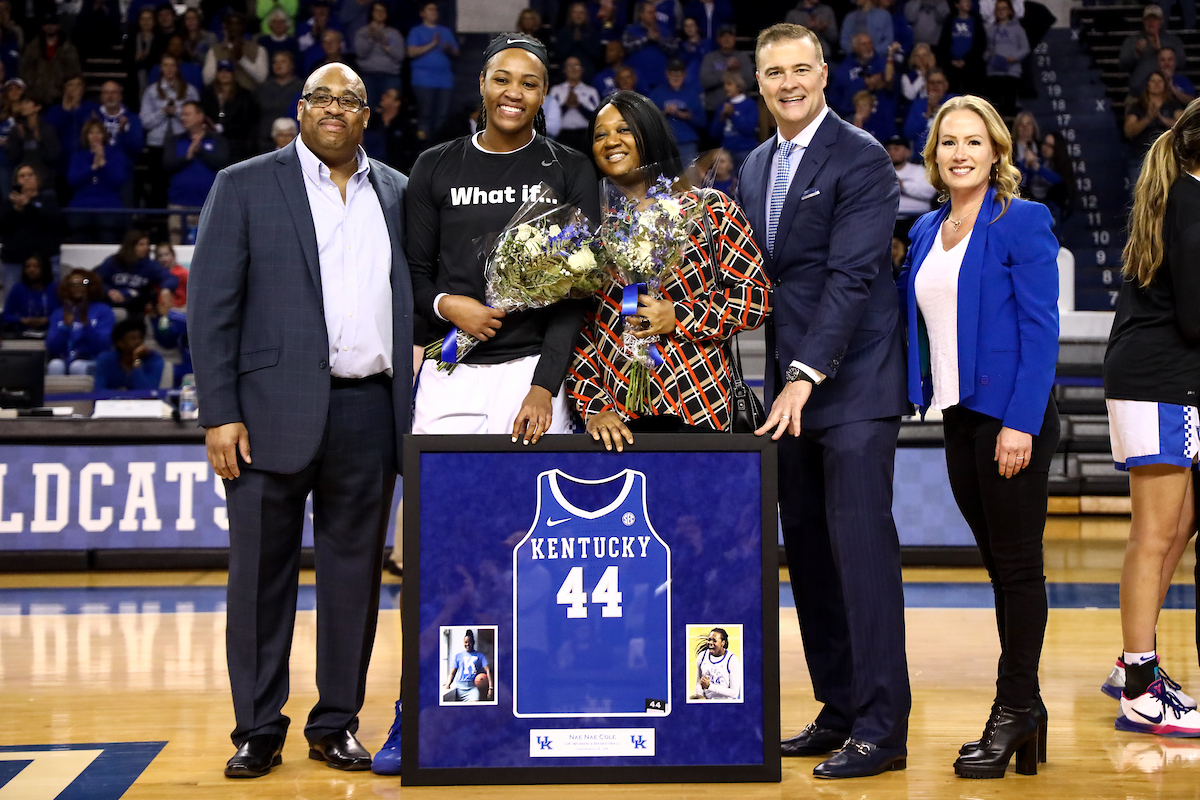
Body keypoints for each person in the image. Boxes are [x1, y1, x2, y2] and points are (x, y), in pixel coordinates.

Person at [189, 62, 413, 779]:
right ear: (301, 108)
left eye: (350, 100)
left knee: (353, 576)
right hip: (264, 413)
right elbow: (210, 311)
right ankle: (258, 727)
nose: (335, 110)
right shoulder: (245, 184)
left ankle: (335, 722)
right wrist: (219, 412)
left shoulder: (401, 195)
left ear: (367, 115)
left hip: (370, 408)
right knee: (258, 578)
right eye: (322, 97)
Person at [737, 23, 910, 779]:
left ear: (825, 74)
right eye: (774, 72)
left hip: (853, 387)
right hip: (790, 396)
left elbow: (852, 278)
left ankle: (882, 727)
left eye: (800, 68)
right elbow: (754, 280)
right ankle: (839, 709)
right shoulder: (753, 164)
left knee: (860, 556)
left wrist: (806, 371)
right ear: (759, 82)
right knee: (807, 555)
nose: (788, 82)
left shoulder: (863, 158)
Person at [896, 94, 1059, 778]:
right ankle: (1029, 706)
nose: (959, 153)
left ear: (997, 151)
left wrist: (1020, 422)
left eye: (973, 141)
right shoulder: (930, 226)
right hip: (958, 416)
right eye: (947, 143)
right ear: (933, 158)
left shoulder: (1022, 220)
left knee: (1018, 568)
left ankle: (1013, 709)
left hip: (1009, 419)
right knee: (998, 567)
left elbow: (1041, 329)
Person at [571, 90, 768, 441]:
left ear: (649, 134)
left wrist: (677, 316)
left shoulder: (710, 210)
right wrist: (593, 406)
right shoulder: (587, 234)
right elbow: (578, 332)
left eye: (624, 130)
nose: (611, 141)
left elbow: (755, 300)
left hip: (702, 408)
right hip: (618, 423)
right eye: (600, 134)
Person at [1102, 98, 1200, 737]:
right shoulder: (1193, 208)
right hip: (1162, 382)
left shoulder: (1178, 198)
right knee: (1154, 534)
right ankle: (1140, 689)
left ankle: (1132, 662)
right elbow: (1195, 320)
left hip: (1155, 379)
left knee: (1179, 526)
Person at [164, 101, 231, 243]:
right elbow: (167, 165)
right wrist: (187, 158)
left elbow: (222, 164)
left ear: (200, 117)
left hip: (209, 205)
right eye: (182, 114)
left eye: (187, 114)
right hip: (179, 205)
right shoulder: (174, 140)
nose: (183, 118)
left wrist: (200, 152)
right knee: (177, 248)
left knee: (209, 250)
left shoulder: (217, 141)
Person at [140, 56, 200, 206]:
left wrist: (177, 113)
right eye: (166, 65)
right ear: (161, 68)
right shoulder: (151, 91)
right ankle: (157, 219)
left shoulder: (189, 90)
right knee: (157, 183)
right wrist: (162, 112)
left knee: (179, 179)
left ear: (177, 68)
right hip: (157, 144)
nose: (169, 69)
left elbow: (196, 118)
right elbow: (145, 122)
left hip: (182, 142)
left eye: (172, 65)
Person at [67, 119, 129, 243]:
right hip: (81, 209)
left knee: (107, 238)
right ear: (86, 136)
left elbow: (118, 181)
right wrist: (93, 167)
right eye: (91, 133)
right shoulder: (78, 157)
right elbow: (72, 180)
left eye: (99, 132)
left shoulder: (116, 156)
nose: (95, 136)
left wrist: (103, 165)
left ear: (104, 135)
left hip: (108, 208)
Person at [0, 163, 60, 292]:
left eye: (30, 175)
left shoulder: (48, 200)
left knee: (51, 300)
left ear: (37, 179)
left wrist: (28, 205)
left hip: (45, 261)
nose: (26, 178)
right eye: (22, 176)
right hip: (14, 261)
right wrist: (14, 210)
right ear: (16, 181)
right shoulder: (7, 204)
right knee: (13, 300)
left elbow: (53, 221)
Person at [96, 229, 178, 321]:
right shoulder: (113, 261)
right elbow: (91, 279)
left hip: (135, 309)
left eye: (147, 244)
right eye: (141, 244)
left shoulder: (149, 265)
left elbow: (171, 278)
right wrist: (108, 291)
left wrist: (166, 289)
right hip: (109, 304)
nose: (146, 248)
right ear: (131, 246)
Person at [46, 268, 115, 375]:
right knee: (55, 365)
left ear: (90, 285)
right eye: (72, 283)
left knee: (77, 366)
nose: (77, 286)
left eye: (84, 282)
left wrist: (86, 325)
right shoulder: (59, 313)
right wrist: (66, 327)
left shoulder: (103, 311)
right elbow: (52, 347)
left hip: (92, 360)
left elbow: (104, 346)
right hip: (65, 359)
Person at [407, 1, 458, 141]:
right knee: (425, 114)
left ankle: (440, 144)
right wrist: (432, 44)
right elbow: (411, 52)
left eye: (435, 9)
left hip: (445, 80)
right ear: (422, 13)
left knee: (442, 115)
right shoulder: (416, 31)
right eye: (430, 9)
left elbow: (456, 52)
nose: (434, 12)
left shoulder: (445, 31)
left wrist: (449, 49)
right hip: (423, 80)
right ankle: (423, 145)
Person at [1126, 72, 1185, 189]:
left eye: (1160, 81)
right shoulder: (1138, 106)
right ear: (1147, 84)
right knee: (1139, 194)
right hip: (1141, 158)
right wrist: (1148, 118)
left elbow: (1183, 125)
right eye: (1153, 81)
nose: (1156, 84)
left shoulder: (1173, 105)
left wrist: (1162, 119)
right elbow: (1129, 131)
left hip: (1167, 158)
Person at [1119, 4, 1185, 96]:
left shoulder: (1173, 41)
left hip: (1168, 97)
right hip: (1138, 96)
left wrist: (1161, 51)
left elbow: (1181, 63)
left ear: (1161, 21)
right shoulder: (1132, 40)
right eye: (1148, 19)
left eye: (1155, 19)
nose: (1151, 22)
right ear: (1143, 21)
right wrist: (1136, 53)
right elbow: (1122, 65)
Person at [649, 58, 705, 166]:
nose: (676, 77)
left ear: (684, 74)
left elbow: (703, 122)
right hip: (664, 144)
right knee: (664, 179)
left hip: (687, 143)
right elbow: (647, 119)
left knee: (689, 179)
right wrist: (664, 113)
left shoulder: (692, 93)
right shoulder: (656, 93)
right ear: (667, 74)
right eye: (673, 74)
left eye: (679, 74)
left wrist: (687, 116)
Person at [201, 59, 259, 161]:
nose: (224, 74)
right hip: (212, 139)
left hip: (236, 142)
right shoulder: (207, 93)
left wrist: (225, 128)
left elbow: (247, 121)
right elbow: (203, 113)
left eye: (227, 71)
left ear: (233, 74)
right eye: (221, 71)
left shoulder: (244, 94)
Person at [19, 13, 80, 106]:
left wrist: (62, 86)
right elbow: (24, 69)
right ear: (42, 26)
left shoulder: (69, 49)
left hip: (60, 98)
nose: (50, 26)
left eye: (53, 23)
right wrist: (33, 84)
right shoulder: (32, 47)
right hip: (35, 97)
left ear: (59, 25)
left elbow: (74, 72)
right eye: (47, 24)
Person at [982, 0, 1028, 117]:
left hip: (1011, 72)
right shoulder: (990, 29)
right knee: (994, 107)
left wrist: (1013, 58)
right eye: (998, 9)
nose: (1001, 12)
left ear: (1009, 11)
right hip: (994, 71)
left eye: (1004, 9)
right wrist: (989, 56)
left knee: (1009, 105)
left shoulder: (1018, 29)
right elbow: (984, 50)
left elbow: (1025, 48)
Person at [354, 2, 403, 110]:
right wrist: (372, 39)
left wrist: (385, 43)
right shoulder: (363, 32)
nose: (380, 13)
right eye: (377, 11)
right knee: (367, 109)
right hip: (369, 75)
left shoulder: (394, 34)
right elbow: (360, 53)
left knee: (391, 108)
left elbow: (400, 56)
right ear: (372, 13)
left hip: (390, 75)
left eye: (383, 11)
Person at [94, 316, 166, 390]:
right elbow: (99, 390)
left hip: (143, 401)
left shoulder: (154, 359)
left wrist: (136, 360)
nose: (138, 341)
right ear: (120, 343)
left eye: (140, 338)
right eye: (133, 338)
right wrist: (122, 397)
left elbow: (147, 393)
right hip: (113, 401)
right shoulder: (105, 360)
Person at [203, 12, 268, 91]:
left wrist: (241, 59)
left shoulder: (258, 49)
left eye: (238, 23)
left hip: (250, 98)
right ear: (225, 26)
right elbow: (207, 80)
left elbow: (261, 78)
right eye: (231, 23)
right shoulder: (214, 50)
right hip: (223, 97)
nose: (234, 27)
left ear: (244, 26)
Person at [887, 133, 935, 238]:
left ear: (907, 152)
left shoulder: (918, 170)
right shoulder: (880, 172)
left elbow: (929, 192)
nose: (891, 152)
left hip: (916, 220)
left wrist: (902, 185)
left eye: (896, 149)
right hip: (888, 221)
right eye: (889, 149)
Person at [549, 55, 601, 153]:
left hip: (584, 135)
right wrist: (566, 105)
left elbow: (596, 117)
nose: (573, 69)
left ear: (582, 70)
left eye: (576, 66)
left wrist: (579, 106)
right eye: (570, 66)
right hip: (562, 136)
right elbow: (551, 116)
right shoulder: (556, 91)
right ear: (565, 70)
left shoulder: (591, 91)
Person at [699, 24, 753, 113]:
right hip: (713, 108)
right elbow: (704, 82)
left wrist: (735, 72)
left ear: (735, 38)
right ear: (718, 39)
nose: (726, 38)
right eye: (723, 36)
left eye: (730, 35)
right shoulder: (710, 58)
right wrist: (726, 71)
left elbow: (749, 83)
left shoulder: (743, 58)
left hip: (739, 108)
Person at [6, 95, 60, 184]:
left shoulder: (47, 130)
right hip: (20, 181)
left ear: (37, 107)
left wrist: (40, 141)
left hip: (43, 181)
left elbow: (53, 157)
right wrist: (20, 140)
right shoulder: (17, 130)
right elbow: (12, 158)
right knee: (15, 196)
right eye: (22, 103)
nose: (23, 106)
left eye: (26, 103)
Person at [256, 51, 303, 152]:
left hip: (293, 143)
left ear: (292, 65)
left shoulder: (302, 88)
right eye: (275, 62)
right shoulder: (263, 88)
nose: (278, 65)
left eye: (283, 62)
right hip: (265, 143)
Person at [709, 70, 757, 169]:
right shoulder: (722, 105)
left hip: (745, 151)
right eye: (724, 85)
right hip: (726, 152)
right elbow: (714, 134)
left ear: (738, 86)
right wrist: (722, 118)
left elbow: (749, 130)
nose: (726, 88)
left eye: (729, 84)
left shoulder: (750, 105)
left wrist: (733, 115)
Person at [937, 0, 986, 96]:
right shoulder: (950, 20)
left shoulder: (976, 20)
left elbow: (980, 43)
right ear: (957, 4)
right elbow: (944, 42)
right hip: (951, 65)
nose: (968, 3)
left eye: (969, 1)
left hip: (971, 65)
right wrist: (951, 59)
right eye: (965, 1)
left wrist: (967, 60)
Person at [1, 253, 57, 334]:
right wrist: (21, 320)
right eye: (28, 267)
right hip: (22, 331)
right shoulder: (18, 288)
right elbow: (6, 315)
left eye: (36, 266)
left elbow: (62, 314)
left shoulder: (54, 288)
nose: (31, 270)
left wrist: (47, 319)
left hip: (50, 330)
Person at [904, 67, 953, 157]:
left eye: (939, 83)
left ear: (946, 85)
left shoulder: (954, 102)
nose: (935, 86)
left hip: (948, 155)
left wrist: (941, 112)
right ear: (926, 86)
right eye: (931, 83)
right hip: (921, 158)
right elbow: (908, 134)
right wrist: (928, 114)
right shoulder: (918, 104)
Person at [690, 628, 742, 701]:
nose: (710, 642)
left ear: (723, 643)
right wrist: (700, 697)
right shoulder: (702, 656)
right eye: (709, 639)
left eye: (714, 640)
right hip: (707, 701)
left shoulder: (732, 660)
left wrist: (710, 686)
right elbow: (698, 683)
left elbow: (734, 693)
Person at [555, 2, 602, 81]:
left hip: (588, 75)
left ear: (586, 15)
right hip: (566, 77)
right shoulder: (563, 32)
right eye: (575, 12)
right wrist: (573, 41)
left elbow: (598, 55)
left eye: (581, 13)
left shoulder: (593, 33)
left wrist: (582, 41)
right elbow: (558, 55)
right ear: (570, 15)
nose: (578, 15)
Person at [444, 630, 494, 702]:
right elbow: (452, 673)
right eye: (466, 642)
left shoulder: (480, 655)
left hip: (473, 688)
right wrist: (447, 684)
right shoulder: (458, 656)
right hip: (459, 688)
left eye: (470, 642)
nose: (468, 644)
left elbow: (488, 671)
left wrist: (490, 687)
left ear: (473, 642)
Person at [156, 240, 187, 306]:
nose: (163, 259)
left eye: (166, 254)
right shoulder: (156, 275)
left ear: (173, 255)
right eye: (160, 256)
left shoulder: (183, 273)